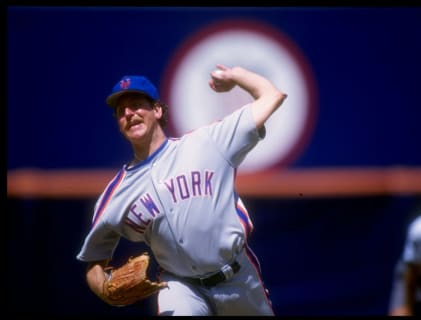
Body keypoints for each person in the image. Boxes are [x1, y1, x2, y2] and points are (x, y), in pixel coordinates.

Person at [76, 64, 286, 316]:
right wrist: (104, 289)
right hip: (180, 285)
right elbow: (94, 261)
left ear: (157, 110)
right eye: (121, 111)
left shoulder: (207, 143)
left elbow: (272, 96)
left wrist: (235, 77)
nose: (129, 113)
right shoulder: (116, 195)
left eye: (136, 105)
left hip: (237, 277)